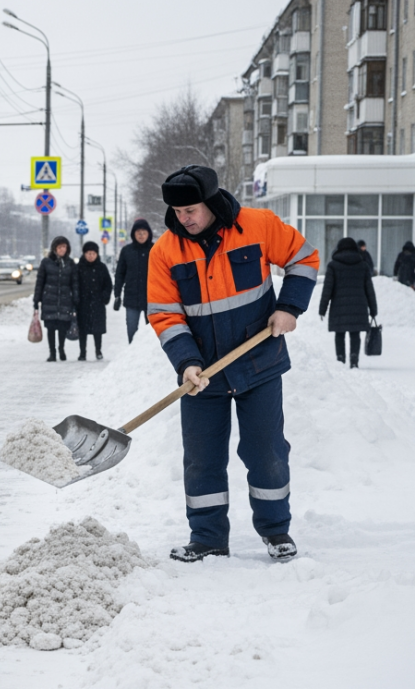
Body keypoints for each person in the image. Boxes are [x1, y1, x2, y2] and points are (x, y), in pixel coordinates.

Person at [147, 165, 318, 563]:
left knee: (266, 451)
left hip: (259, 361)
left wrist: (289, 307)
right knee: (202, 458)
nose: (183, 219)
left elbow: (305, 258)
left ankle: (276, 531)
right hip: (202, 374)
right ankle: (207, 537)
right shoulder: (165, 252)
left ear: (210, 201)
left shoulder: (257, 226)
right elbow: (165, 315)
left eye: (191, 210)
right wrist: (187, 363)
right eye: (177, 212)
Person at [318, 237, 377, 369]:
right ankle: (354, 357)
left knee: (339, 333)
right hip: (358, 306)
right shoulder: (363, 265)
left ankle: (340, 358)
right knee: (355, 333)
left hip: (339, 307)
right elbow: (369, 290)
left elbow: (327, 289)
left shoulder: (333, 265)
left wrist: (322, 309)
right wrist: (373, 309)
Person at [34, 235, 78, 362]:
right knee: (51, 327)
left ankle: (61, 349)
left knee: (63, 326)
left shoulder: (70, 263)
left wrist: (75, 298)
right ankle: (52, 352)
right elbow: (40, 282)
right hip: (49, 300)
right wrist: (36, 300)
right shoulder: (46, 262)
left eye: (64, 247)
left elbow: (74, 283)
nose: (62, 249)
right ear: (55, 248)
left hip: (65, 300)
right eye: (60, 247)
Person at [114, 218, 154, 343]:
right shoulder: (126, 251)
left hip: (152, 298)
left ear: (149, 233)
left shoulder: (155, 250)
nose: (141, 235)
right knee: (132, 331)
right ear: (133, 234)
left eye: (144, 232)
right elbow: (120, 274)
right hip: (132, 298)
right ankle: (132, 358)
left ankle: (151, 356)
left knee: (153, 333)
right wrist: (117, 295)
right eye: (138, 232)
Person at [75, 241, 112, 361]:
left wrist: (104, 297)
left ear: (97, 254)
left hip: (98, 303)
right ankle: (82, 352)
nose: (91, 256)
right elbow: (74, 284)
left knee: (97, 329)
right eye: (88, 253)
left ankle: (98, 351)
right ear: (84, 254)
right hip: (83, 304)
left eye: (93, 253)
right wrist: (76, 299)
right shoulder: (79, 267)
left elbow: (108, 284)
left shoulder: (101, 267)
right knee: (82, 329)